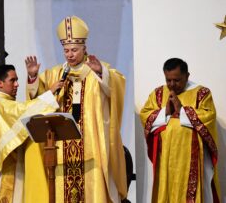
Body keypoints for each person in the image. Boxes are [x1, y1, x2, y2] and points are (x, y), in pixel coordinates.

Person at [25, 16, 127, 202]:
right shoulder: (54, 73)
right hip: (61, 146)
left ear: (84, 48)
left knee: (91, 189)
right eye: (66, 50)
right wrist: (33, 79)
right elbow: (36, 104)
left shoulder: (98, 68)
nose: (69, 55)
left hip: (91, 144)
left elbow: (116, 86)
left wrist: (99, 73)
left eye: (74, 50)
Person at [140, 58, 220, 202]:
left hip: (190, 157)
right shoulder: (158, 93)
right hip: (165, 157)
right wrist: (165, 111)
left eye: (177, 80)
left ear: (187, 76)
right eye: (168, 80)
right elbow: (145, 114)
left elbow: (209, 115)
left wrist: (182, 110)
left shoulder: (201, 93)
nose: (172, 85)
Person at [0, 64, 62, 202]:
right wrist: (50, 93)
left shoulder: (2, 104)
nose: (17, 84)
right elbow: (23, 111)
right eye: (12, 80)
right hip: (4, 167)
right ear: (0, 83)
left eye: (17, 80)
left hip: (8, 161)